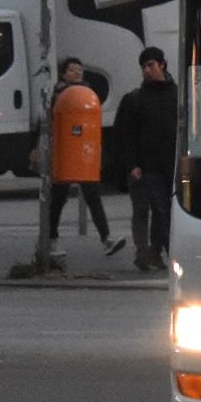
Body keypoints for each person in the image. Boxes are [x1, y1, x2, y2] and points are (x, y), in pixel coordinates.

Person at [47, 57, 125, 257]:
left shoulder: (88, 95)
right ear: (64, 73)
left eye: (79, 70)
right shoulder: (59, 94)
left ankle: (106, 238)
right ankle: (51, 240)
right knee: (58, 199)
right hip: (64, 153)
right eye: (72, 70)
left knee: (93, 197)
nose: (77, 73)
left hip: (83, 152)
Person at [120, 46, 180, 273]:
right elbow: (128, 135)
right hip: (148, 166)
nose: (146, 70)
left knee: (164, 211)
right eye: (143, 66)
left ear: (162, 65)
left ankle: (154, 252)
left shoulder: (176, 94)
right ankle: (156, 251)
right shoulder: (137, 99)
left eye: (150, 65)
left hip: (171, 165)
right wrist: (132, 164)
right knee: (159, 209)